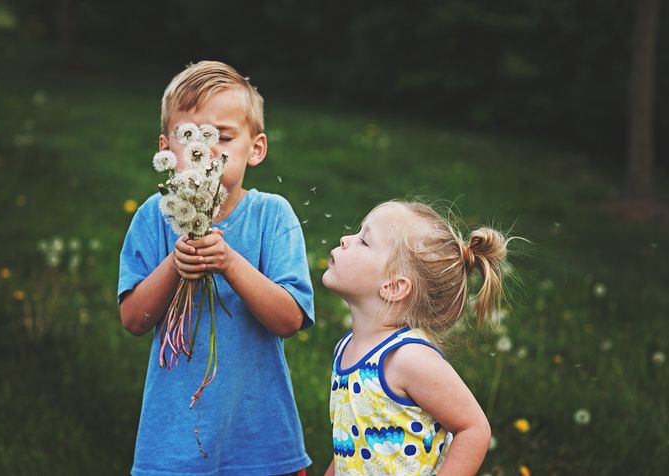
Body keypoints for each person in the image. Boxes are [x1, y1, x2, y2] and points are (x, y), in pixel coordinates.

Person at [118, 60, 314, 476]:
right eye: (189, 137)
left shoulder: (272, 216)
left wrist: (228, 262)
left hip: (261, 439)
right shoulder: (154, 216)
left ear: (256, 148)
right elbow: (134, 319)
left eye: (222, 137)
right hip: (174, 441)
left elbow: (289, 318)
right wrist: (175, 264)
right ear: (165, 150)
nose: (206, 151)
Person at [323, 200, 511, 475]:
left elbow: (474, 428)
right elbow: (349, 443)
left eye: (364, 240)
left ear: (394, 287)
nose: (345, 239)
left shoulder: (408, 358)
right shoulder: (346, 347)